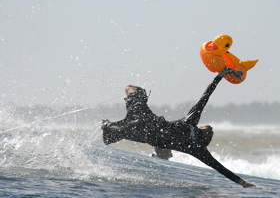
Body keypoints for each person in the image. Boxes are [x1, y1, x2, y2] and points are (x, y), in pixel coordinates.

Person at [101, 68, 255, 188]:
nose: (211, 128)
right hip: (146, 134)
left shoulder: (191, 123)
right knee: (122, 129)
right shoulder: (198, 149)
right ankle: (109, 127)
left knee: (131, 89)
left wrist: (219, 77)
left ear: (204, 130)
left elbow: (205, 97)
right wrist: (241, 182)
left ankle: (109, 126)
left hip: (149, 121)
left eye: (210, 129)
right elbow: (219, 167)